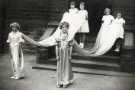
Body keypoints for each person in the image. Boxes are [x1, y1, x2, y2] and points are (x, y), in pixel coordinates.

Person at [55, 22, 73, 88]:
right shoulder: (58, 37)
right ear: (61, 28)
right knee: (60, 67)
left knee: (66, 67)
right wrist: (57, 55)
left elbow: (71, 47)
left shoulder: (69, 37)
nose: (64, 29)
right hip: (60, 53)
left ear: (68, 28)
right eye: (63, 27)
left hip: (66, 54)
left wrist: (70, 55)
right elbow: (56, 46)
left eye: (66, 27)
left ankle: (66, 81)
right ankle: (60, 81)